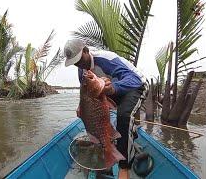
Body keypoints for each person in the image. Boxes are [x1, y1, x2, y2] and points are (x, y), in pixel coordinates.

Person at [64, 39, 149, 179]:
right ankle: (117, 137)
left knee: (124, 116)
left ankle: (124, 166)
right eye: (75, 63)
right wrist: (81, 108)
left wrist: (114, 88)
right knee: (90, 116)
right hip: (109, 92)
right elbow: (85, 94)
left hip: (136, 87)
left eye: (79, 59)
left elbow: (135, 80)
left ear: (86, 51)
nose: (79, 64)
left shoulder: (105, 59)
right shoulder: (82, 71)